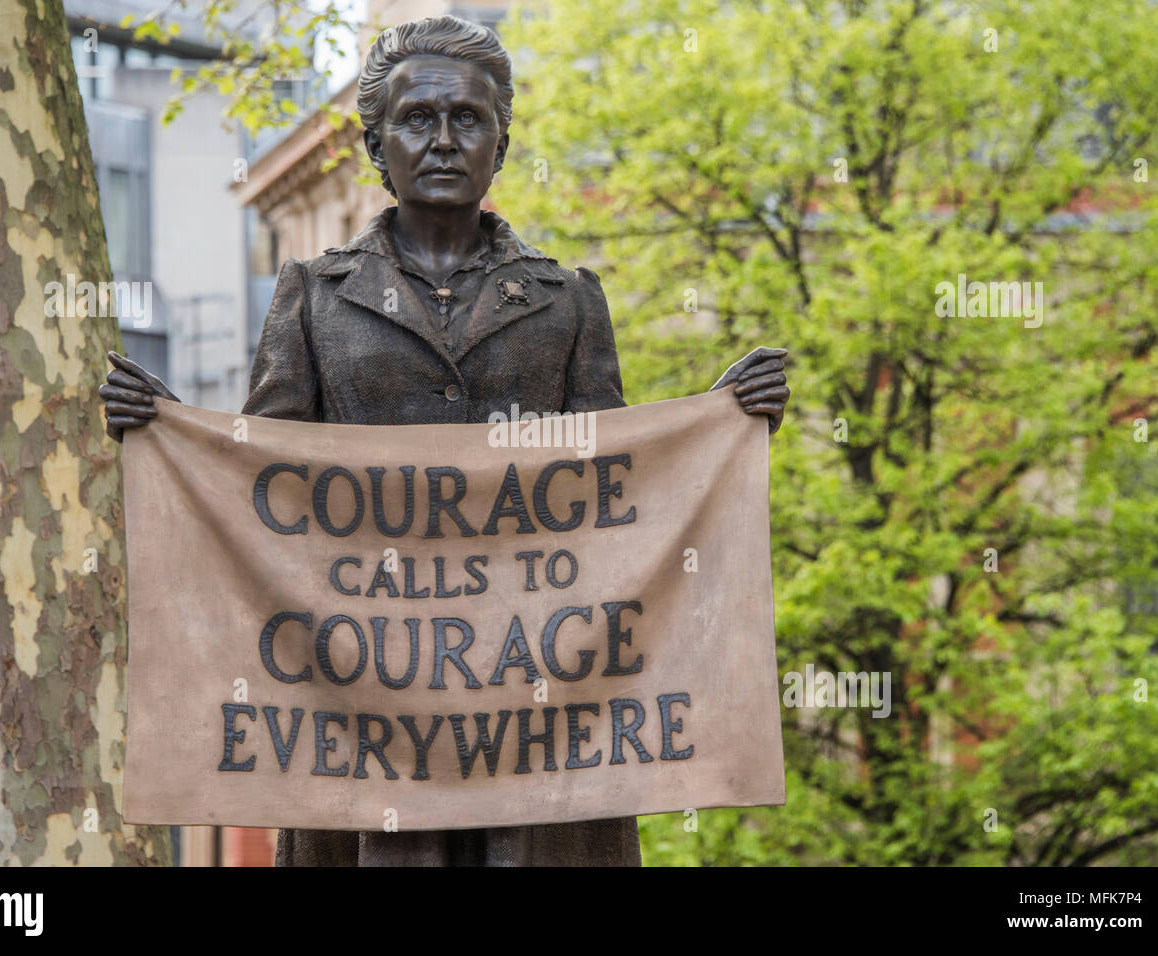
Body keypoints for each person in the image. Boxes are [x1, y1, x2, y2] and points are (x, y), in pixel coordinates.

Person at [100, 15, 790, 866]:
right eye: (416, 120)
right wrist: (172, 436)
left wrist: (720, 422)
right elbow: (262, 492)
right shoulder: (313, 297)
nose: (441, 140)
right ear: (375, 144)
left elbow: (619, 501)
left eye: (467, 119)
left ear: (501, 143)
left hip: (541, 728)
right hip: (363, 726)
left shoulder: (568, 300)